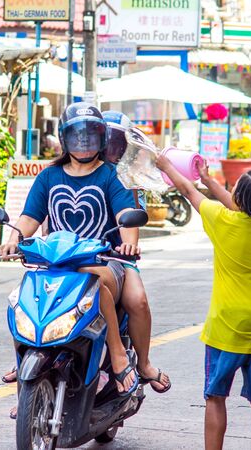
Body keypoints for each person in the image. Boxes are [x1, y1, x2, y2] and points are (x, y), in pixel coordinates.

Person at [0, 104, 140, 406]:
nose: (84, 141)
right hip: (54, 264)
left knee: (94, 284)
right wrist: (13, 238)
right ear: (65, 139)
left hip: (102, 262)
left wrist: (128, 243)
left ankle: (116, 354)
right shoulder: (48, 177)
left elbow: (127, 213)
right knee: (21, 297)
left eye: (91, 135)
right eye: (77, 135)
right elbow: (28, 217)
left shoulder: (111, 176)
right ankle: (27, 373)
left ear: (102, 139)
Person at [156, 153, 251, 450]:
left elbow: (188, 191)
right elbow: (240, 205)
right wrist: (209, 179)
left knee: (215, 396)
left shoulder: (222, 221)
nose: (231, 190)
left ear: (240, 197)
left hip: (227, 325)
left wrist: (167, 166)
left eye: (235, 187)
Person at [102, 110, 171, 392]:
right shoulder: (64, 171)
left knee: (138, 301)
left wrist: (128, 244)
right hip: (69, 258)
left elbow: (131, 218)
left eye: (117, 143)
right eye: (106, 141)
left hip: (115, 256)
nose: (110, 149)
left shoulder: (126, 178)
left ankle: (142, 363)